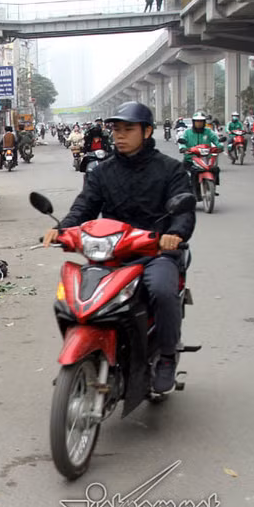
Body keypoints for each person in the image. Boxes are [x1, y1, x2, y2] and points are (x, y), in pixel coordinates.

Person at [44, 101, 195, 394]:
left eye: (128, 129)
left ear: (147, 131)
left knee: (162, 290)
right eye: (116, 129)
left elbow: (184, 210)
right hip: (110, 252)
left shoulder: (171, 169)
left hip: (155, 253)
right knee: (71, 299)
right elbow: (85, 206)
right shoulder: (102, 172)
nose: (119, 136)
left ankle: (165, 357)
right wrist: (62, 229)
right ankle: (81, 359)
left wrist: (174, 233)